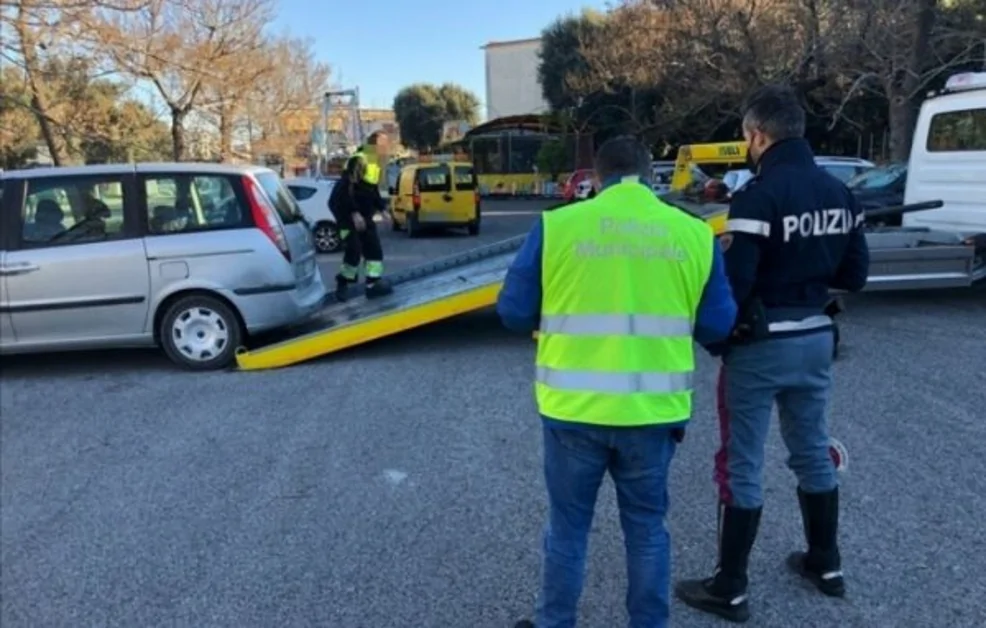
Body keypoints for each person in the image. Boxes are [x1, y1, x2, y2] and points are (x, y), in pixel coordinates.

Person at [497, 135, 738, 628]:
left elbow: (514, 312)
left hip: (572, 410)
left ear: (596, 175)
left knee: (568, 530)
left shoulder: (557, 227)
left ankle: (554, 623)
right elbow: (718, 325)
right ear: (653, 174)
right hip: (652, 413)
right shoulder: (693, 233)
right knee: (647, 529)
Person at [674, 85, 870, 623]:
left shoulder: (757, 196)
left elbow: (736, 286)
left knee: (742, 462)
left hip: (762, 347)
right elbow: (855, 275)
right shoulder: (841, 193)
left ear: (758, 135)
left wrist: (716, 341)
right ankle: (826, 564)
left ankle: (730, 586)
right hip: (815, 341)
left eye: (745, 135)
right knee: (811, 450)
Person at [330, 131, 393, 301]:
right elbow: (346, 188)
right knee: (354, 249)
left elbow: (371, 190)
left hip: (363, 212)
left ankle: (373, 285)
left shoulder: (374, 163)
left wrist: (382, 209)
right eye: (384, 144)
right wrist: (354, 212)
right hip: (345, 211)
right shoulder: (359, 159)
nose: (387, 147)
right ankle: (342, 282)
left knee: (373, 248)